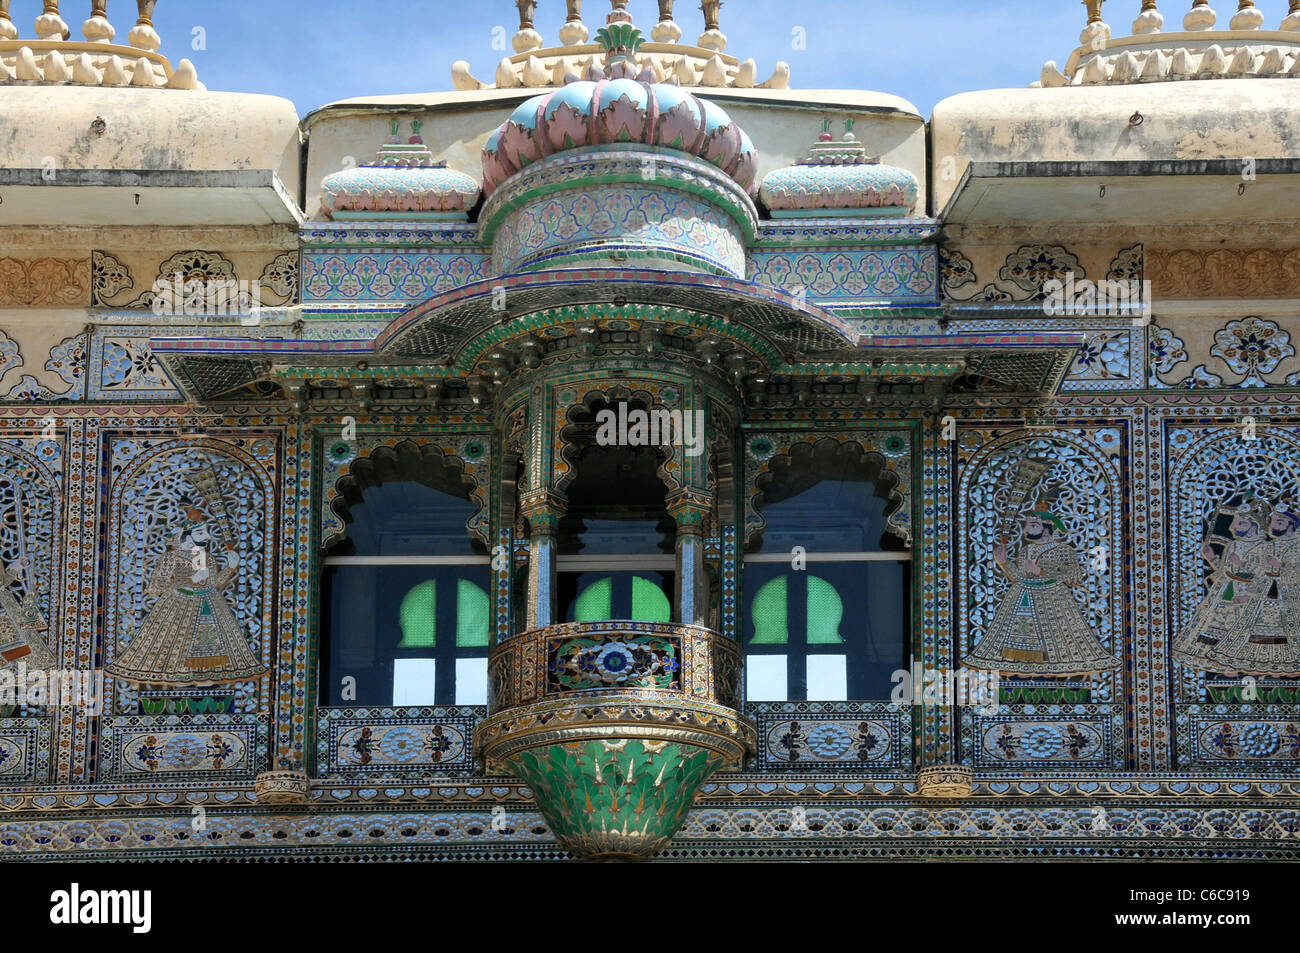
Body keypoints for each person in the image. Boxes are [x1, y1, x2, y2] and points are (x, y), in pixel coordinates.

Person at [105, 509, 268, 686]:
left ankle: (205, 675)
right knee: (178, 642)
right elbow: (156, 587)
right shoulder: (171, 558)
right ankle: (178, 675)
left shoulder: (207, 557)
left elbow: (213, 584)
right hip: (180, 603)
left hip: (209, 602)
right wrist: (189, 581)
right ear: (187, 536)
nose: (207, 536)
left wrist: (230, 567)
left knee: (210, 642)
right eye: (200, 532)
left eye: (206, 531)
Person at [965, 506, 1119, 677]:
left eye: (1033, 526)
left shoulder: (1063, 550)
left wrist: (1042, 573)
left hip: (1052, 599)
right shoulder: (1026, 550)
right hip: (1022, 596)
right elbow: (1018, 576)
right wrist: (1004, 563)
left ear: (1047, 530)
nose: (1026, 530)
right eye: (1027, 526)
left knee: (1055, 639)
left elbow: (1072, 576)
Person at [1172, 500, 1297, 675]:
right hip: (1224, 591)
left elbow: (1266, 577)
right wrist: (1211, 558)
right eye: (1235, 522)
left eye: (1241, 523)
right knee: (1213, 629)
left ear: (1254, 527)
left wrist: (1248, 586)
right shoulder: (1233, 545)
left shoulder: (1265, 547)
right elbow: (1223, 572)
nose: (1233, 527)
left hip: (1249, 596)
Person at [0, 557, 55, 671]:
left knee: (24, 639)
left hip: (7, 605)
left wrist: (18, 566)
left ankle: (33, 667)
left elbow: (3, 581)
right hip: (4, 612)